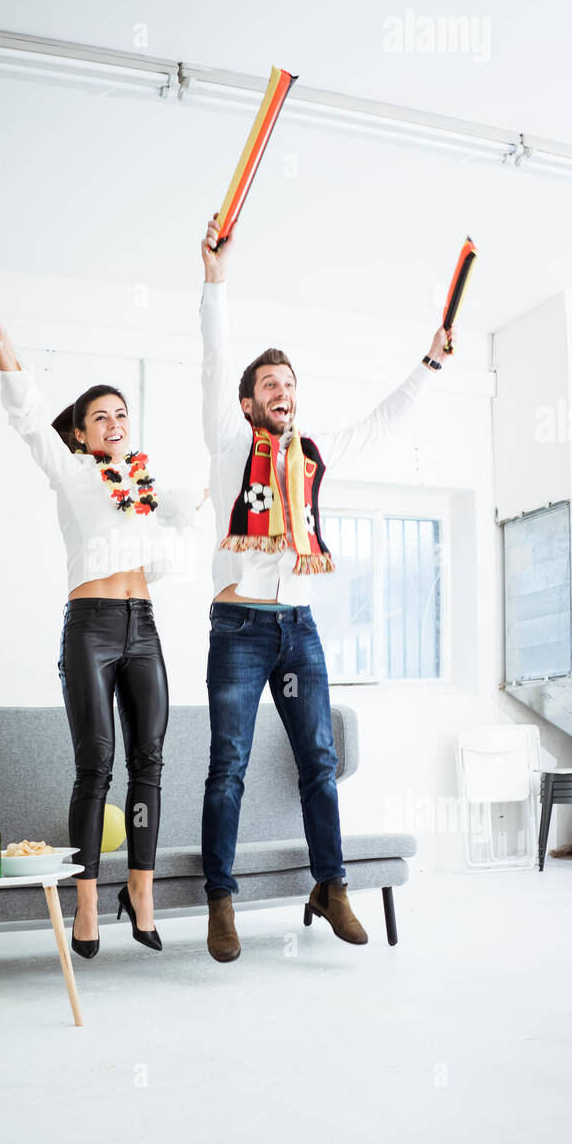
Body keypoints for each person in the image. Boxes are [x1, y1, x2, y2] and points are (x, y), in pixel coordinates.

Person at [198, 214, 456, 961]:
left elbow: (381, 423)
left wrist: (429, 365)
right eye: (269, 385)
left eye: (289, 384)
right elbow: (214, 358)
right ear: (248, 402)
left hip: (299, 628)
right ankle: (222, 899)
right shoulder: (225, 441)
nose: (282, 392)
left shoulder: (312, 452)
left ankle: (330, 884)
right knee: (228, 766)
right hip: (239, 631)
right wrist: (214, 280)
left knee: (317, 758)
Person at [0, 307, 200, 958]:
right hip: (91, 628)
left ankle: (141, 890)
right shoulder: (71, 472)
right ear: (79, 432)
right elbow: (26, 416)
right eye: (100, 415)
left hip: (143, 626)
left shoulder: (144, 491)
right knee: (94, 765)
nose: (114, 423)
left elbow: (176, 543)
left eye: (121, 414)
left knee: (150, 763)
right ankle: (86, 902)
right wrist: (5, 348)